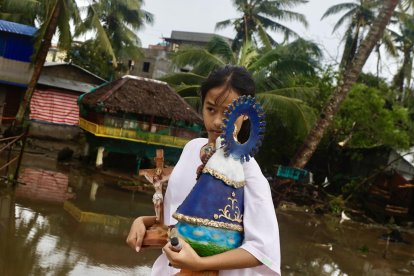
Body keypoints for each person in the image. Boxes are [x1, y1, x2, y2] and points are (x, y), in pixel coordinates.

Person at [126, 65, 281, 275]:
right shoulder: (191, 149)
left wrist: (200, 264)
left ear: (244, 115)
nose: (217, 121)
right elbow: (178, 220)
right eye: (211, 109)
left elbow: (262, 249)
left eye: (228, 112)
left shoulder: (247, 169)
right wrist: (142, 222)